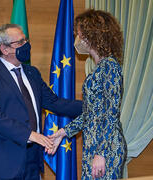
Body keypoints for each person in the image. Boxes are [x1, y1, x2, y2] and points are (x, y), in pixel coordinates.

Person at [0, 24, 82, 180]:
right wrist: (30, 134)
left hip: (32, 159)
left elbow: (54, 102)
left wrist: (90, 105)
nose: (26, 45)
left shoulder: (33, 73)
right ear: (4, 49)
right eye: (20, 42)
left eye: (26, 40)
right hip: (2, 163)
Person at [48, 9, 127, 180]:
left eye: (80, 33)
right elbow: (91, 113)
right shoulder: (100, 67)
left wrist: (101, 153)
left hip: (105, 148)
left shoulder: (110, 67)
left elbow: (110, 112)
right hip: (94, 145)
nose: (77, 38)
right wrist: (63, 132)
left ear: (93, 34)